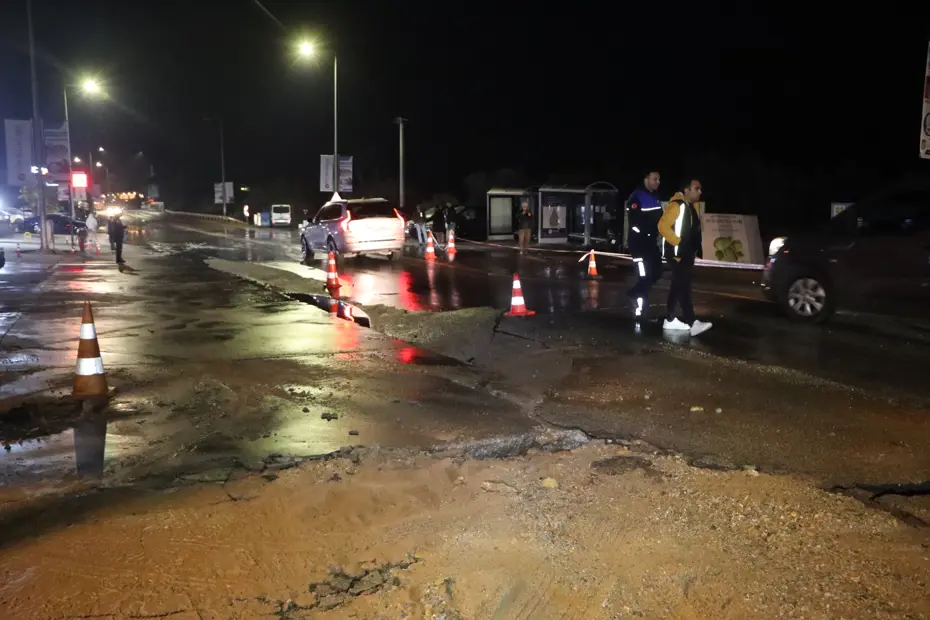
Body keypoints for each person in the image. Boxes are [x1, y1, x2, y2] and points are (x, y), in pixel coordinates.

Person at [657, 179, 712, 336]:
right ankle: (692, 321)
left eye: (700, 188)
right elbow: (662, 226)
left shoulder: (690, 207)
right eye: (696, 188)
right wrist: (678, 242)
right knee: (684, 287)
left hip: (686, 254)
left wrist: (696, 250)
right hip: (677, 254)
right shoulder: (677, 206)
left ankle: (669, 319)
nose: (700, 191)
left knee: (677, 285)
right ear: (686, 190)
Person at [626, 171, 664, 318]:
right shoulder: (636, 197)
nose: (658, 182)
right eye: (655, 179)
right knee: (644, 276)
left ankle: (635, 292)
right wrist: (644, 234)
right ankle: (641, 312)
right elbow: (634, 223)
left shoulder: (655, 197)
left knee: (657, 272)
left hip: (651, 242)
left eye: (659, 179)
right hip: (639, 244)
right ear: (646, 179)